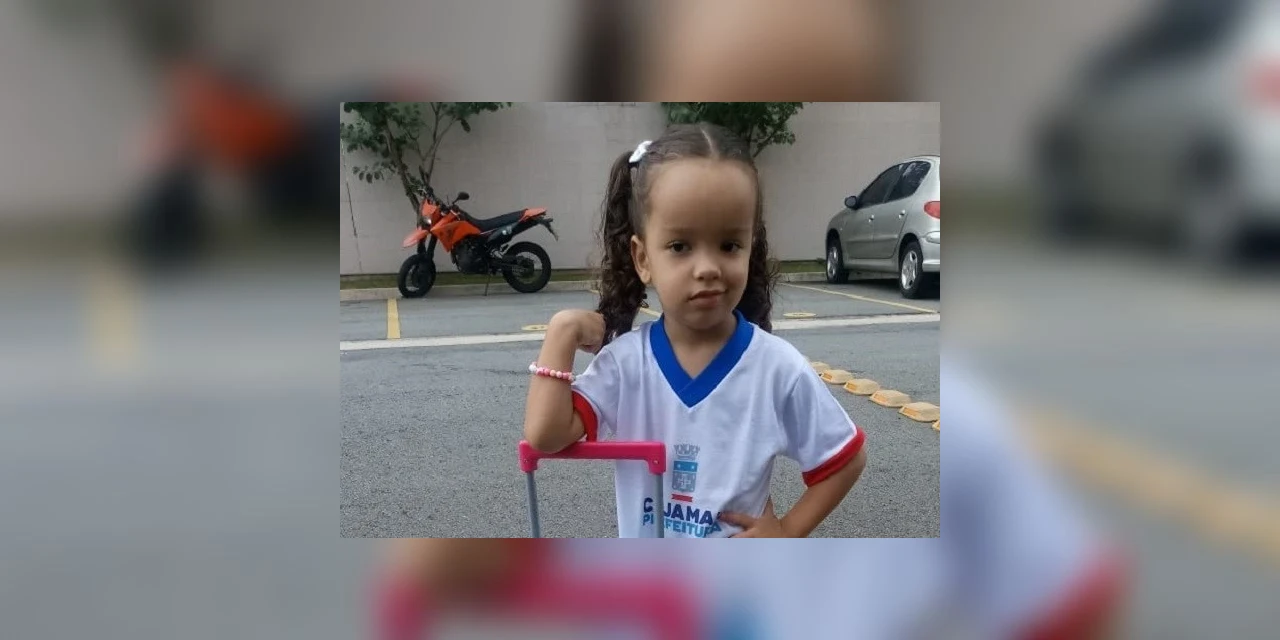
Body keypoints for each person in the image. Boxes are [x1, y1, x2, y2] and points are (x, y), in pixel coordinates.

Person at [522, 122, 867, 538]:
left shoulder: (778, 368)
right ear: (642, 258)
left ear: (751, 247)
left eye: (729, 245)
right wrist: (562, 331)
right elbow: (545, 435)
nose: (707, 268)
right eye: (680, 246)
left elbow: (845, 458)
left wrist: (788, 531)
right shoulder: (626, 365)